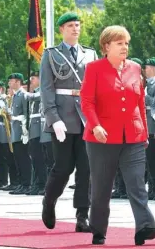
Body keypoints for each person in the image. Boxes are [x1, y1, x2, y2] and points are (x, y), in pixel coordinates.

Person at [80, 25, 155, 246]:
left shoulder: (135, 68)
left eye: (126, 43)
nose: (125, 47)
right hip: (101, 139)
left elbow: (139, 103)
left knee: (137, 184)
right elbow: (87, 101)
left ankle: (144, 226)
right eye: (119, 43)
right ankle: (98, 229)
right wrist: (95, 125)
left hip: (133, 137)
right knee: (102, 188)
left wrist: (144, 131)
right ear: (106, 46)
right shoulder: (94, 68)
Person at [40, 12, 98, 232]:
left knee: (86, 169)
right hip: (62, 119)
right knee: (63, 168)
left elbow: (94, 89)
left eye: (78, 25)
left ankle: (82, 215)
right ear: (62, 29)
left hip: (86, 119)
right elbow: (46, 89)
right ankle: (49, 200)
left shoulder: (90, 54)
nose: (76, 29)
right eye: (71, 25)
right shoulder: (51, 54)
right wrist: (53, 118)